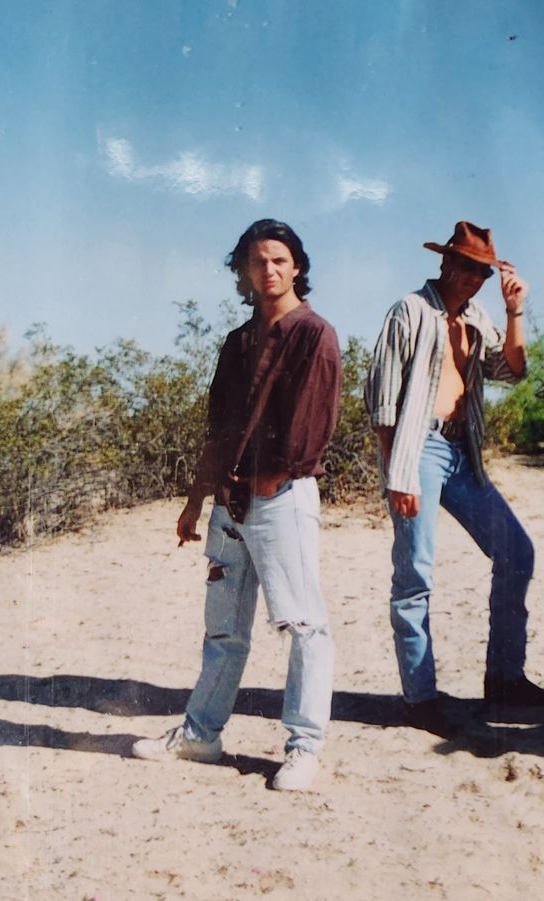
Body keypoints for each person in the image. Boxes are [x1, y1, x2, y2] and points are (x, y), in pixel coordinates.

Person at [132, 219, 342, 793]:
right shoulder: (239, 341)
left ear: (297, 267)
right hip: (231, 501)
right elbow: (219, 428)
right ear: (244, 271)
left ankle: (304, 748)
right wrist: (196, 501)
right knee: (224, 629)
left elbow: (313, 426)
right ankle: (201, 734)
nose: (268, 270)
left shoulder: (313, 335)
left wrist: (272, 482)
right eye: (257, 261)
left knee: (304, 625)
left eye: (279, 260)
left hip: (282, 498)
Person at [364, 221, 544, 736]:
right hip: (418, 449)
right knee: (416, 573)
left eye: (482, 271)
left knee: (517, 552)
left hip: (461, 451)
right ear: (446, 262)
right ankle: (420, 698)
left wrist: (515, 311)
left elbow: (512, 371)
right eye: (467, 266)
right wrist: (397, 471)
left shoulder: (477, 317)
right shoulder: (410, 310)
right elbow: (382, 398)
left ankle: (505, 679)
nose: (474, 278)